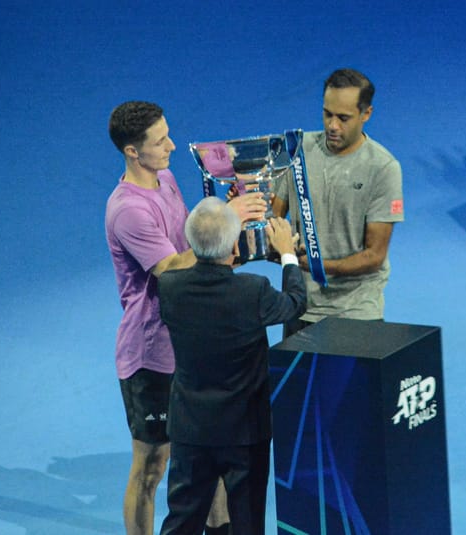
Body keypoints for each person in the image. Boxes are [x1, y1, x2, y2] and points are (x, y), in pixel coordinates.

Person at [105, 101, 266, 535]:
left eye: (168, 134)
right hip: (152, 355)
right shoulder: (128, 211)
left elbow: (189, 236)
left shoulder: (167, 179)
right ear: (132, 152)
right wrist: (228, 220)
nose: (172, 146)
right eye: (160, 142)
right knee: (153, 466)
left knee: (209, 454)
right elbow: (173, 270)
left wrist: (220, 213)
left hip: (191, 343)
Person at [156, 197, 306, 535]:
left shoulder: (169, 287)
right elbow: (296, 304)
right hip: (244, 431)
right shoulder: (253, 291)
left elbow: (207, 280)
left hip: (191, 429)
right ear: (235, 243)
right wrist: (287, 255)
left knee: (181, 521)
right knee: (248, 524)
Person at [272, 68, 404, 336]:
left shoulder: (383, 168)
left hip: (357, 311)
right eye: (327, 114)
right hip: (300, 306)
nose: (332, 125)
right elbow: (273, 214)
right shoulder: (297, 149)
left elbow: (374, 256)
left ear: (366, 114)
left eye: (343, 118)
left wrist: (316, 266)